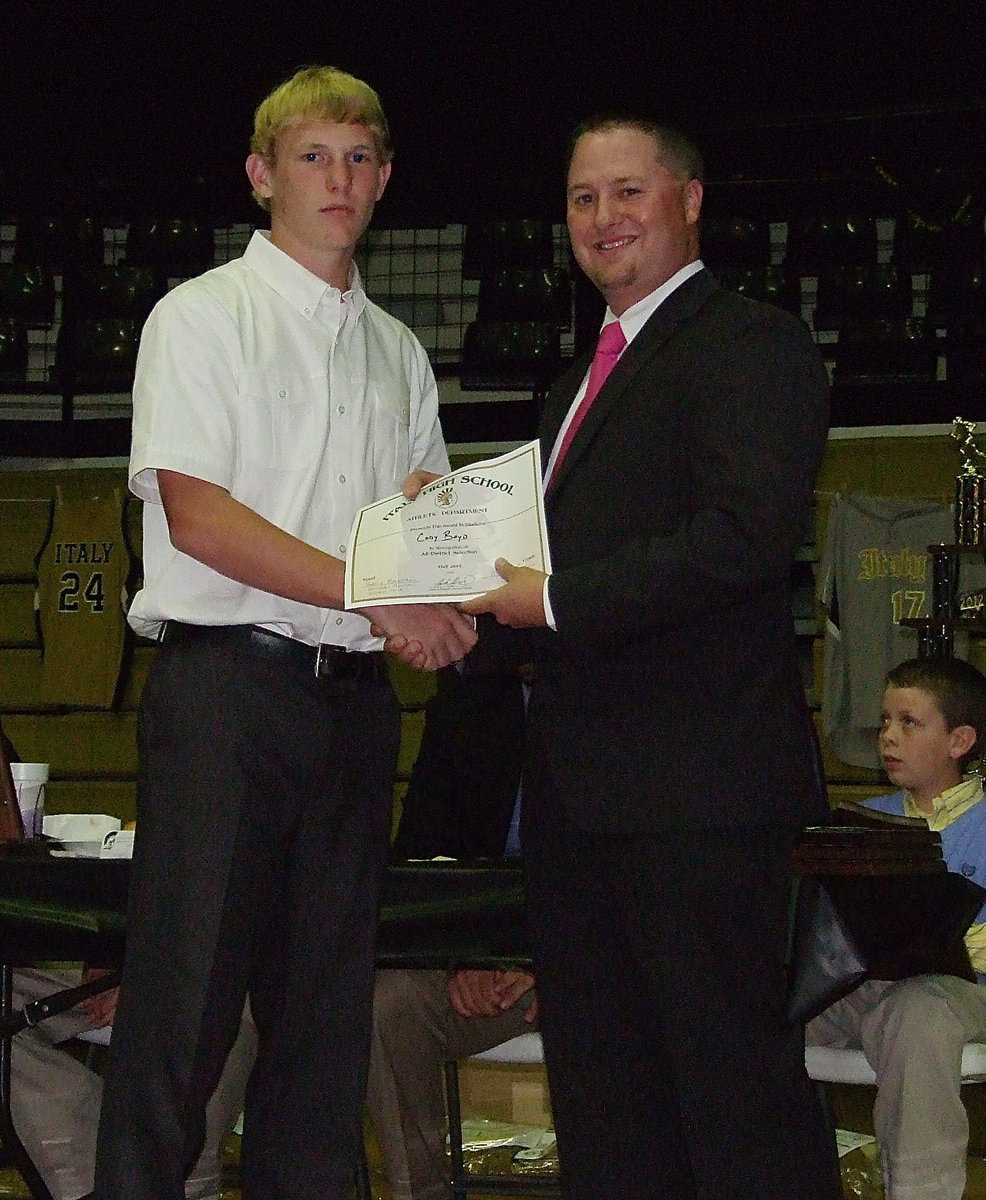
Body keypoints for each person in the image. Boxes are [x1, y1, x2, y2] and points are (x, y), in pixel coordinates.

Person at [92, 65, 476, 1200]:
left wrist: (445, 596)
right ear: (263, 175)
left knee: (323, 1030)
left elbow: (423, 521)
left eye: (359, 158)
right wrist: (382, 594)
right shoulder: (199, 318)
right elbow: (203, 521)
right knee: (181, 1021)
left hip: (353, 705)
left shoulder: (398, 350)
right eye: (313, 157)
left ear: (386, 177)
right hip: (226, 696)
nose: (338, 179)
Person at [447, 114, 841, 1199]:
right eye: (582, 199)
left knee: (732, 1102)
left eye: (628, 192)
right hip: (578, 806)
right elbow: (533, 592)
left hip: (699, 801)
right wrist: (430, 603)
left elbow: (741, 538)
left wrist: (552, 600)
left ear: (689, 199)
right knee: (606, 1106)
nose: (603, 219)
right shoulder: (573, 385)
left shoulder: (751, 342)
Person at [807, 656, 986, 1200]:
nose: (888, 736)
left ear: (959, 740)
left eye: (910, 723)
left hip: (967, 990)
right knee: (745, 1015)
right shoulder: (862, 821)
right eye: (885, 721)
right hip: (869, 986)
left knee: (918, 1010)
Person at [366, 665, 537, 1200]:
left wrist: (549, 961)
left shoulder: (636, 690)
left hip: (602, 955)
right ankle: (419, 1190)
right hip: (481, 953)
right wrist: (459, 954)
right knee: (385, 1002)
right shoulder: (472, 699)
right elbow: (419, 861)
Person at [11, 969, 256, 1200]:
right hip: (69, 962)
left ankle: (181, 1176)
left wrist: (154, 965)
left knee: (232, 997)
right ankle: (87, 1168)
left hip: (194, 965)